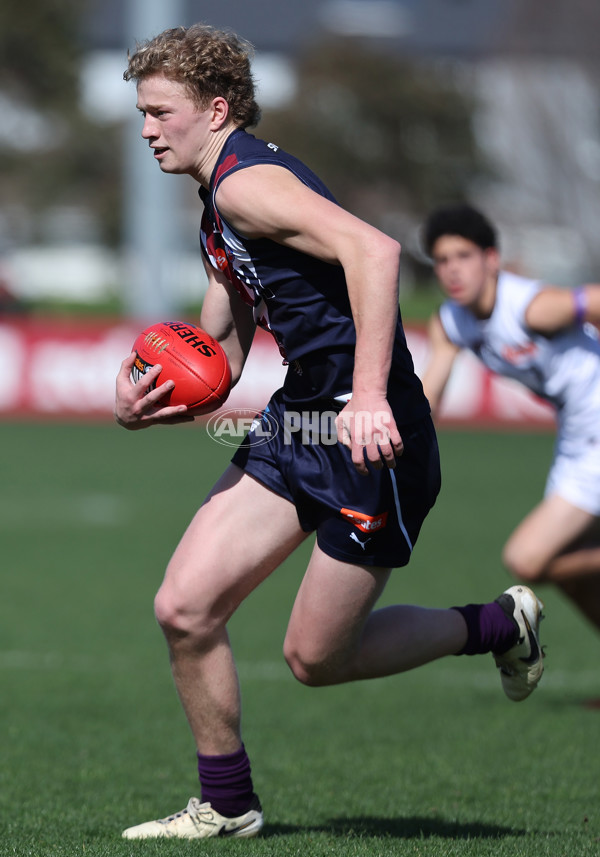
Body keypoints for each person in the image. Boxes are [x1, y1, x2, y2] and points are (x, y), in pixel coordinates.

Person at [115, 26, 544, 840]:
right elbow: (224, 348)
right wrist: (152, 392)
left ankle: (497, 623)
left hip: (369, 435)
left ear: (214, 110)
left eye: (158, 112)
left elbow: (375, 254)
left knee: (316, 659)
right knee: (185, 606)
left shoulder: (248, 185)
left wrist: (371, 396)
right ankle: (229, 803)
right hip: (303, 418)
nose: (146, 129)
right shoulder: (217, 202)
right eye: (141, 112)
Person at [421, 202, 600, 639]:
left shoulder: (531, 307)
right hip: (579, 442)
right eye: (442, 260)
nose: (452, 271)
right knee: (545, 566)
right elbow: (429, 397)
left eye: (463, 256)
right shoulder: (452, 323)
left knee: (531, 560)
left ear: (492, 259)